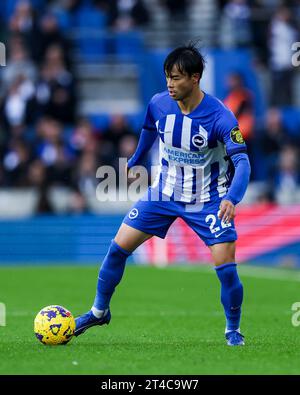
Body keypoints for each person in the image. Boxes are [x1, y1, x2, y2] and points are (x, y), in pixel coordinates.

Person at [75, 43, 251, 346]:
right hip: (163, 193)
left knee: (226, 267)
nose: (170, 84)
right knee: (118, 248)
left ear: (195, 78)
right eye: (168, 76)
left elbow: (243, 162)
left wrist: (231, 198)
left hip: (207, 200)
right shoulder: (158, 103)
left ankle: (232, 329)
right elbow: (148, 129)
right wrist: (136, 160)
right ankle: (98, 311)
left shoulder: (221, 117)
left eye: (177, 77)